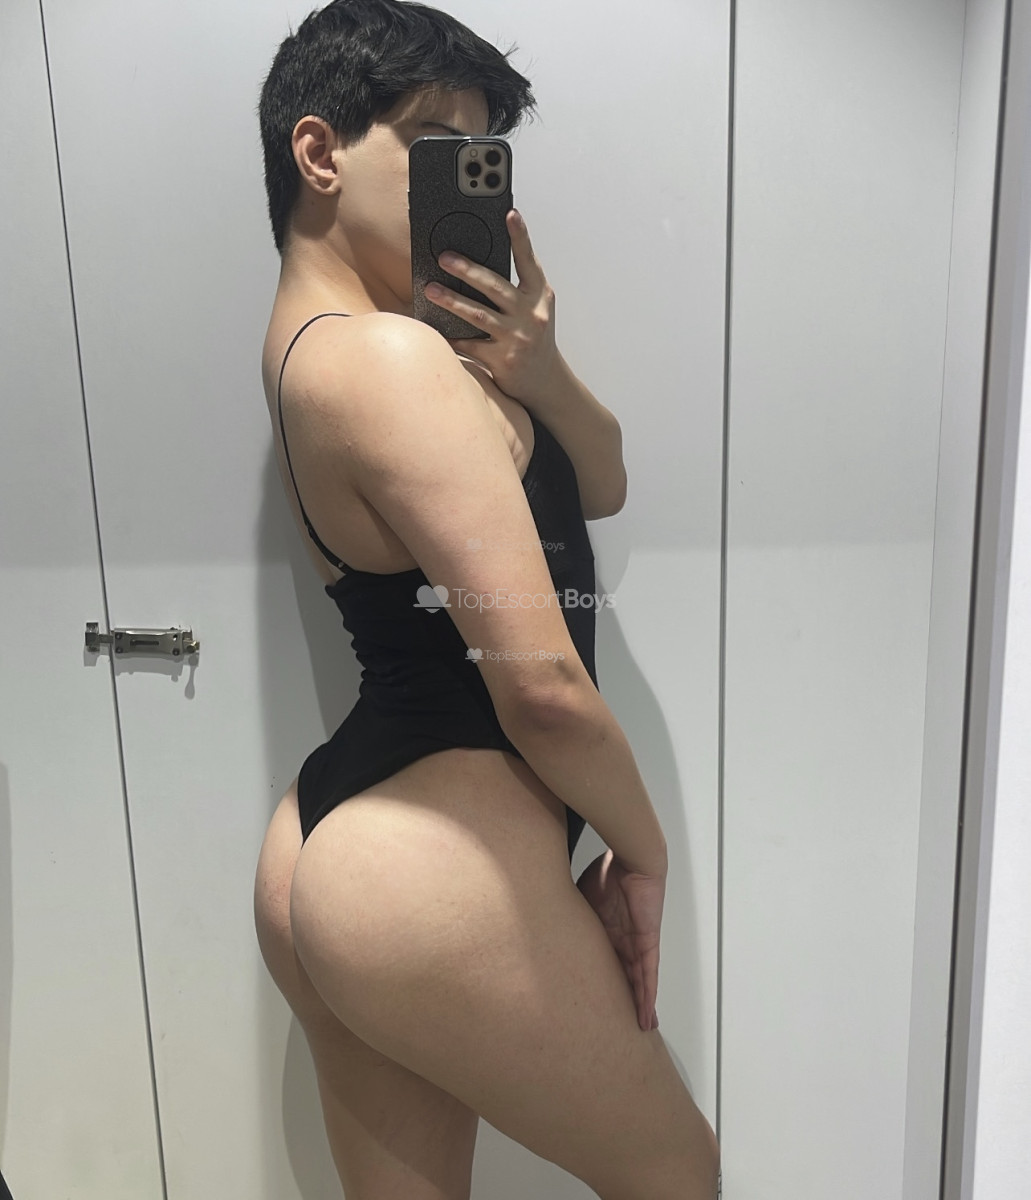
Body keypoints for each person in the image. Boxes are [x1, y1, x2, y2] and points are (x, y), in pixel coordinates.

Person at [252, 2, 720, 1197]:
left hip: (338, 840)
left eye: (479, 154)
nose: (459, 180)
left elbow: (599, 485)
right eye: (432, 145)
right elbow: (542, 687)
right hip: (431, 862)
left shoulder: (319, 347)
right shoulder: (390, 361)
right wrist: (642, 850)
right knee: (677, 1173)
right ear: (318, 152)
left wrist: (540, 374)